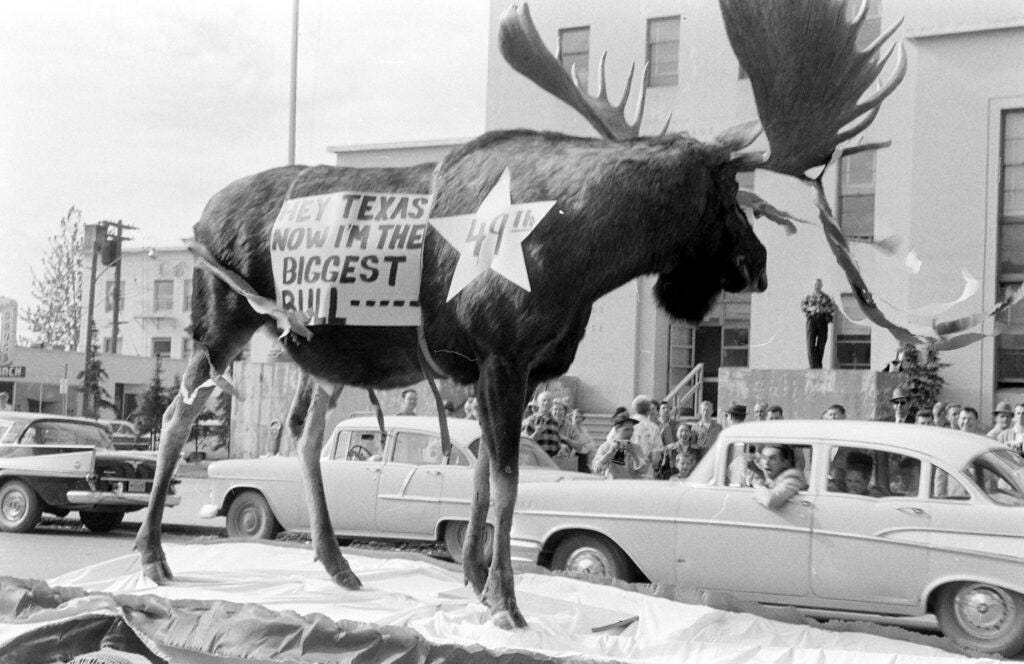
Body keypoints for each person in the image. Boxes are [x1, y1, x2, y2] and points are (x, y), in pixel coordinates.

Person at [749, 444, 807, 509]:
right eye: (764, 458)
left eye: (772, 458)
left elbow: (770, 502)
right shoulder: (772, 481)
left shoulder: (792, 481)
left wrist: (758, 486)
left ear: (785, 463)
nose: (766, 462)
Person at [592, 411, 645, 479]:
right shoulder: (606, 446)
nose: (630, 433)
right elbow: (597, 469)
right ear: (617, 429)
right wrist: (609, 452)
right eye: (626, 430)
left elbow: (644, 470)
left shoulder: (635, 447)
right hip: (613, 483)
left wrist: (633, 454)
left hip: (632, 484)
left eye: (632, 430)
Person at [801, 277, 836, 369]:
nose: (817, 286)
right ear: (813, 285)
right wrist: (811, 308)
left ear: (821, 285)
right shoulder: (808, 296)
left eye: (819, 284)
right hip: (811, 319)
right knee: (810, 343)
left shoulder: (826, 297)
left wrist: (823, 309)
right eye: (815, 284)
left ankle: (817, 365)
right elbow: (803, 306)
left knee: (821, 343)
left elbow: (831, 309)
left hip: (822, 320)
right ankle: (814, 366)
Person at [629, 395, 663, 479]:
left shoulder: (623, 424)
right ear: (648, 410)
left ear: (634, 409)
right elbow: (656, 457)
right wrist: (653, 468)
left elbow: (610, 442)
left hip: (624, 470)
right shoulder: (654, 428)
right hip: (644, 471)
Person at [522, 391, 561, 457]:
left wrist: (560, 449)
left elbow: (557, 443)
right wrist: (537, 432)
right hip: (535, 459)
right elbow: (526, 443)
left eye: (549, 400)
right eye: (544, 400)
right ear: (538, 403)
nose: (546, 403)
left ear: (552, 403)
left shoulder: (555, 422)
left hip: (550, 459)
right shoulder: (531, 420)